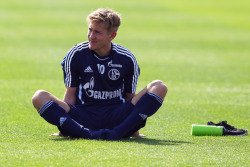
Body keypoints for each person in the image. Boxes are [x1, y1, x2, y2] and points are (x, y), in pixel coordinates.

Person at [31, 8, 168, 140]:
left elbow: (130, 97)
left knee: (159, 86)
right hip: (83, 116)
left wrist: (135, 131)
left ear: (112, 35)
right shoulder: (76, 54)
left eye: (97, 32)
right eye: (90, 30)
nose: (91, 36)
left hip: (117, 116)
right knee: (39, 96)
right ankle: (86, 134)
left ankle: (119, 132)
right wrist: (63, 128)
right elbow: (70, 94)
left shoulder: (127, 58)